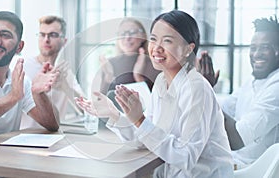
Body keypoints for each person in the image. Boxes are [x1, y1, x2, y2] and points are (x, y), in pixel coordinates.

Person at [76, 10, 234, 178]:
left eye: (167, 41)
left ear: (188, 49)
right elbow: (145, 138)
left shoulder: (197, 88)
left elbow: (185, 156)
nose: (157, 48)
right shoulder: (161, 82)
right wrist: (114, 115)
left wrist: (140, 119)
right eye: (153, 39)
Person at [199, 16, 279, 169]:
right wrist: (205, 91)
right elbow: (223, 112)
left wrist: (204, 91)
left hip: (252, 170)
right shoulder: (252, 82)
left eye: (265, 47)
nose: (256, 54)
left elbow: (237, 138)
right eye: (253, 48)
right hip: (231, 162)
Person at [0, 11, 59, 139]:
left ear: (19, 47)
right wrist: (12, 97)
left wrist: (39, 93)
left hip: (5, 158)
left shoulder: (22, 81)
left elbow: (52, 124)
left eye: (5, 35)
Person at [20, 15, 85, 129]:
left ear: (64, 41)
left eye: (53, 35)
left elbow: (86, 109)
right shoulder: (24, 67)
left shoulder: (64, 73)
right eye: (42, 34)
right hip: (25, 136)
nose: (46, 39)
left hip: (55, 138)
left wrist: (65, 87)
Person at [99, 17, 160, 94]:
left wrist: (138, 77)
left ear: (143, 36)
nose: (127, 37)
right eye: (122, 33)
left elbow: (157, 101)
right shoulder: (110, 63)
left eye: (132, 32)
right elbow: (100, 101)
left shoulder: (154, 63)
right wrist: (108, 77)